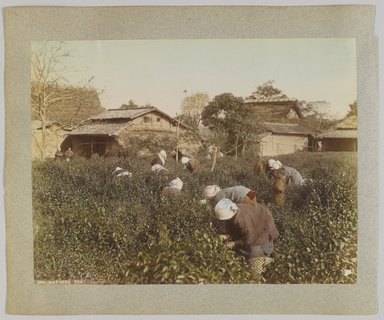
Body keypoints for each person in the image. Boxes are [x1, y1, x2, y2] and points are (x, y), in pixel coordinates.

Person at [214, 198, 279, 259]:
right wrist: (227, 236)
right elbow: (234, 228)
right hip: (254, 222)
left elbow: (249, 239)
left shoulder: (243, 221)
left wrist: (234, 243)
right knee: (246, 246)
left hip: (264, 223)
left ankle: (265, 261)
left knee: (256, 252)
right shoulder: (234, 210)